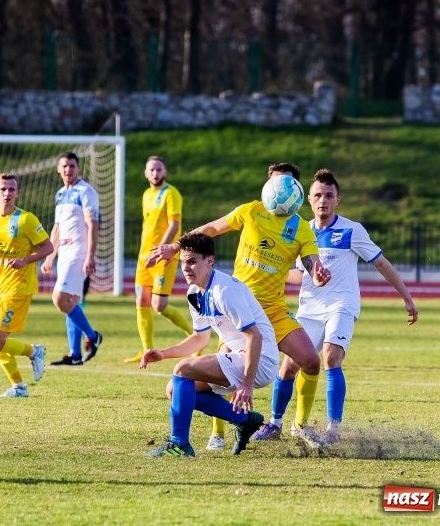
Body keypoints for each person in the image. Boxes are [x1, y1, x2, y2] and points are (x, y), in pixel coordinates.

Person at [148, 162, 332, 449]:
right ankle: (218, 434)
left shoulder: (301, 230)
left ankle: (299, 426)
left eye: (284, 184)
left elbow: (312, 262)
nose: (277, 188)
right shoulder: (251, 210)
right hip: (238, 306)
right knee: (212, 369)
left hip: (272, 309)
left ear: (295, 191)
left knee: (310, 361)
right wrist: (175, 246)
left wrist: (317, 272)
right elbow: (212, 228)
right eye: (274, 182)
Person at [253, 169, 418, 445]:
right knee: (289, 367)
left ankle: (333, 429)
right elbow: (298, 274)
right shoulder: (300, 231)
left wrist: (407, 297)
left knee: (330, 358)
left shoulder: (352, 230)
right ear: (308, 199)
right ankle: (275, 423)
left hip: (342, 305)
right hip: (310, 308)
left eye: (329, 195)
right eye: (318, 195)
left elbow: (380, 262)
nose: (323, 201)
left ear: (337, 199)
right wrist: (269, 278)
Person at [141, 232, 277, 457]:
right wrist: (163, 354)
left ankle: (180, 444)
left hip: (260, 360)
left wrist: (247, 384)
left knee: (183, 369)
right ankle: (244, 420)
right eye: (183, 262)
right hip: (242, 357)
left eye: (192, 261)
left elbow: (256, 337)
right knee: (174, 390)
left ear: (209, 261)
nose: (186, 268)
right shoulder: (195, 292)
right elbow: (199, 338)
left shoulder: (225, 291)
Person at [0, 174, 54, 398]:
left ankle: (34, 352)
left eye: (11, 189)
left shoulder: (27, 220)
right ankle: (19, 387)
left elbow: (48, 247)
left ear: (18, 193)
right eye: (3, 189)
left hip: (20, 287)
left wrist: (25, 260)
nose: (7, 193)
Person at [124, 156, 193, 364]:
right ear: (146, 173)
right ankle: (146, 351)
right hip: (144, 257)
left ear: (165, 172)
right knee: (142, 301)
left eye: (159, 169)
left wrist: (161, 249)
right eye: (151, 170)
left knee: (159, 305)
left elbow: (174, 225)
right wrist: (148, 253)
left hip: (163, 257)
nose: (155, 173)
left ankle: (196, 337)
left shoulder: (171, 193)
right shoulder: (146, 194)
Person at [41, 152, 104, 365]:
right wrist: (50, 257)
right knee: (71, 301)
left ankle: (93, 336)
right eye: (64, 166)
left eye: (72, 166)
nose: (68, 169)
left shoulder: (86, 192)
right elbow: (57, 229)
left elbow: (93, 225)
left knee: (59, 299)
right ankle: (74, 354)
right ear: (59, 169)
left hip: (79, 252)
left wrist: (90, 256)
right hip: (65, 252)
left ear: (78, 168)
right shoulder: (60, 194)